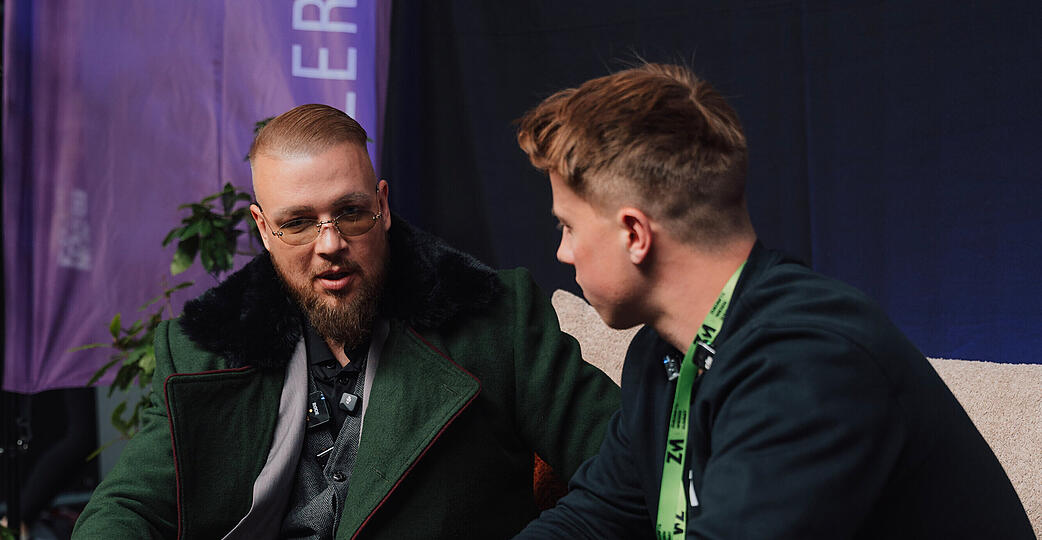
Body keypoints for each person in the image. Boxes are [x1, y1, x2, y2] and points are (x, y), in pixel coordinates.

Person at [513, 63, 1033, 539]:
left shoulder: (809, 360)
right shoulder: (662, 357)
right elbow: (593, 519)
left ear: (634, 233)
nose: (563, 252)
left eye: (568, 226)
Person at [73, 104, 620, 539]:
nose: (330, 243)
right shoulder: (202, 349)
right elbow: (127, 508)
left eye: (350, 213)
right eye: (298, 223)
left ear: (382, 205)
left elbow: (624, 471)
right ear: (263, 229)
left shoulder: (495, 319)